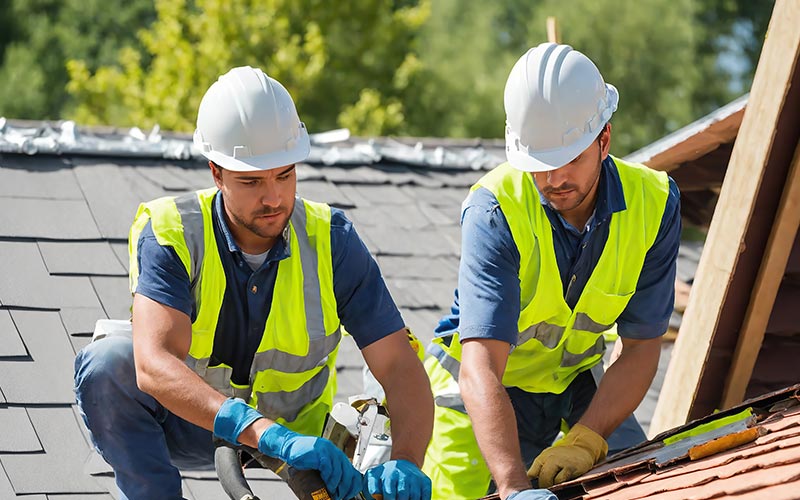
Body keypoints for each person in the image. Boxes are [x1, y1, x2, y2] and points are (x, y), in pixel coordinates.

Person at [74, 66, 434, 500]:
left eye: (285, 175)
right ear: (216, 173)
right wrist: (263, 434)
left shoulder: (332, 240)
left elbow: (399, 365)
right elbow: (153, 364)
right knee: (109, 363)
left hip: (305, 442)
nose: (274, 198)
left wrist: (407, 461)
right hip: (194, 422)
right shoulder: (172, 231)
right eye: (252, 181)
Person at [421, 43, 681, 500]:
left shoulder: (655, 203)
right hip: (479, 397)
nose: (554, 179)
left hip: (574, 386)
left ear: (604, 140)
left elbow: (640, 348)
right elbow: (480, 367)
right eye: (539, 164)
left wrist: (584, 440)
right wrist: (514, 486)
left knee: (646, 485)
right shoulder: (494, 209)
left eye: (570, 159)